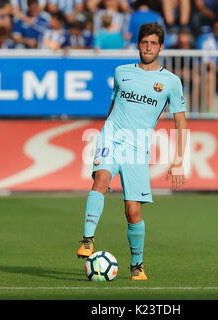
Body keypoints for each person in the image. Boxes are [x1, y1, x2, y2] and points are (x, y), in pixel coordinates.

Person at [76, 22, 188, 280]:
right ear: (138, 44)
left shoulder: (170, 82)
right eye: (144, 42)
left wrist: (179, 160)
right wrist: (103, 135)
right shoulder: (121, 72)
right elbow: (113, 106)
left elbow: (181, 121)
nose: (148, 48)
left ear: (161, 47)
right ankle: (87, 240)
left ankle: (136, 265)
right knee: (101, 179)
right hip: (112, 137)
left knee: (133, 210)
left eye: (153, 44)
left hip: (138, 146)